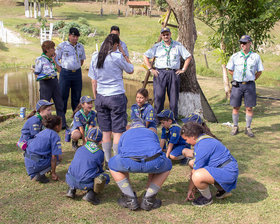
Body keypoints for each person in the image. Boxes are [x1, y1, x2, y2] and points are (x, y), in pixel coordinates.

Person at [88, 34, 134, 170]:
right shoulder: (117, 56)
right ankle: (117, 160)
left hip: (101, 97)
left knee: (106, 131)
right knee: (118, 131)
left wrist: (96, 96)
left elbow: (93, 78)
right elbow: (130, 70)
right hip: (116, 96)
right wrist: (123, 52)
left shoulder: (95, 57)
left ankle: (107, 161)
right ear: (115, 44)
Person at [108, 119, 172, 211]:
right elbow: (157, 150)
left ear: (131, 127)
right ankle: (149, 199)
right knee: (168, 165)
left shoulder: (125, 133)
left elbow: (120, 153)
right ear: (143, 126)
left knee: (112, 164)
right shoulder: (151, 132)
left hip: (129, 162)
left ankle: (129, 198)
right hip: (153, 162)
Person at [181, 122, 239, 207]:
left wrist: (190, 189)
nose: (186, 142)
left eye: (186, 139)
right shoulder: (203, 138)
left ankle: (207, 198)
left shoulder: (203, 145)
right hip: (227, 168)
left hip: (228, 172)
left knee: (197, 176)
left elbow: (195, 171)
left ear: (193, 136)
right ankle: (222, 189)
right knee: (192, 163)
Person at [143, 27, 192, 120]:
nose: (165, 36)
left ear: (170, 34)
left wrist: (183, 69)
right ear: (161, 36)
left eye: (167, 34)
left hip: (173, 73)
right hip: (160, 73)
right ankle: (157, 119)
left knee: (173, 98)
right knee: (159, 97)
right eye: (163, 34)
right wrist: (150, 69)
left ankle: (173, 119)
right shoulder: (157, 47)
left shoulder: (178, 46)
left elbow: (188, 57)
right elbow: (145, 56)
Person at [226, 35, 264, 137]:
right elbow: (229, 69)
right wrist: (236, 77)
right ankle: (235, 126)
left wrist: (252, 79)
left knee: (249, 108)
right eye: (241, 43)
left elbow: (259, 71)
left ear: (250, 43)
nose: (242, 45)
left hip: (249, 85)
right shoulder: (235, 56)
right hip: (237, 85)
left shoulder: (255, 57)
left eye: (245, 43)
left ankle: (248, 128)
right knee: (235, 107)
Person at [66, 127, 110, 205]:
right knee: (105, 178)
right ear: (100, 142)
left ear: (86, 138)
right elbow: (99, 170)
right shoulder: (99, 153)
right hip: (85, 182)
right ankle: (90, 194)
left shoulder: (79, 149)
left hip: (69, 178)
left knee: (77, 170)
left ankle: (71, 190)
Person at [34, 40, 67, 129]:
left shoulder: (54, 58)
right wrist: (44, 77)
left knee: (59, 103)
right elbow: (36, 75)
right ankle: (44, 125)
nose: (54, 49)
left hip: (55, 82)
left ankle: (62, 124)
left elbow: (60, 70)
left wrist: (54, 61)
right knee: (45, 106)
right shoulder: (39, 60)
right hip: (45, 84)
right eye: (52, 48)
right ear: (47, 49)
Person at [24, 114, 62, 183]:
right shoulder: (55, 136)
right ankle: (39, 174)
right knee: (58, 157)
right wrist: (53, 173)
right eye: (60, 125)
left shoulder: (42, 132)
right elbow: (54, 158)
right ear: (57, 127)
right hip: (35, 165)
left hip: (28, 162)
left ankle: (37, 172)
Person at [56, 27, 86, 114]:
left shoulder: (80, 46)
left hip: (77, 73)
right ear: (69, 36)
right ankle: (62, 118)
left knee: (77, 96)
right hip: (65, 73)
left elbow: (82, 60)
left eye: (77, 36)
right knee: (63, 95)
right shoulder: (62, 46)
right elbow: (56, 59)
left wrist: (75, 67)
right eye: (73, 36)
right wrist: (60, 69)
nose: (75, 38)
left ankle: (77, 117)